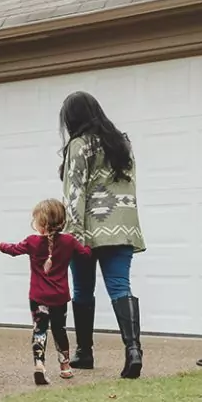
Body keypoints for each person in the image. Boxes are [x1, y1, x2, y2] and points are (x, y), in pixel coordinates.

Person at [58, 91, 146, 379]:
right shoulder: (122, 143)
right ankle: (133, 350)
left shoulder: (79, 145)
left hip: (88, 228)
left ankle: (84, 352)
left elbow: (75, 193)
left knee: (83, 290)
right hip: (122, 226)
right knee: (120, 286)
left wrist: (74, 235)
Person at [0, 198, 91, 385]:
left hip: (38, 298)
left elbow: (13, 250)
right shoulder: (69, 241)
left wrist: (0, 245)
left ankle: (39, 365)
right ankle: (65, 368)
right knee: (60, 330)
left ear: (42, 224)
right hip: (60, 298)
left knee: (40, 330)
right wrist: (90, 245)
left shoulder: (32, 242)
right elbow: (85, 255)